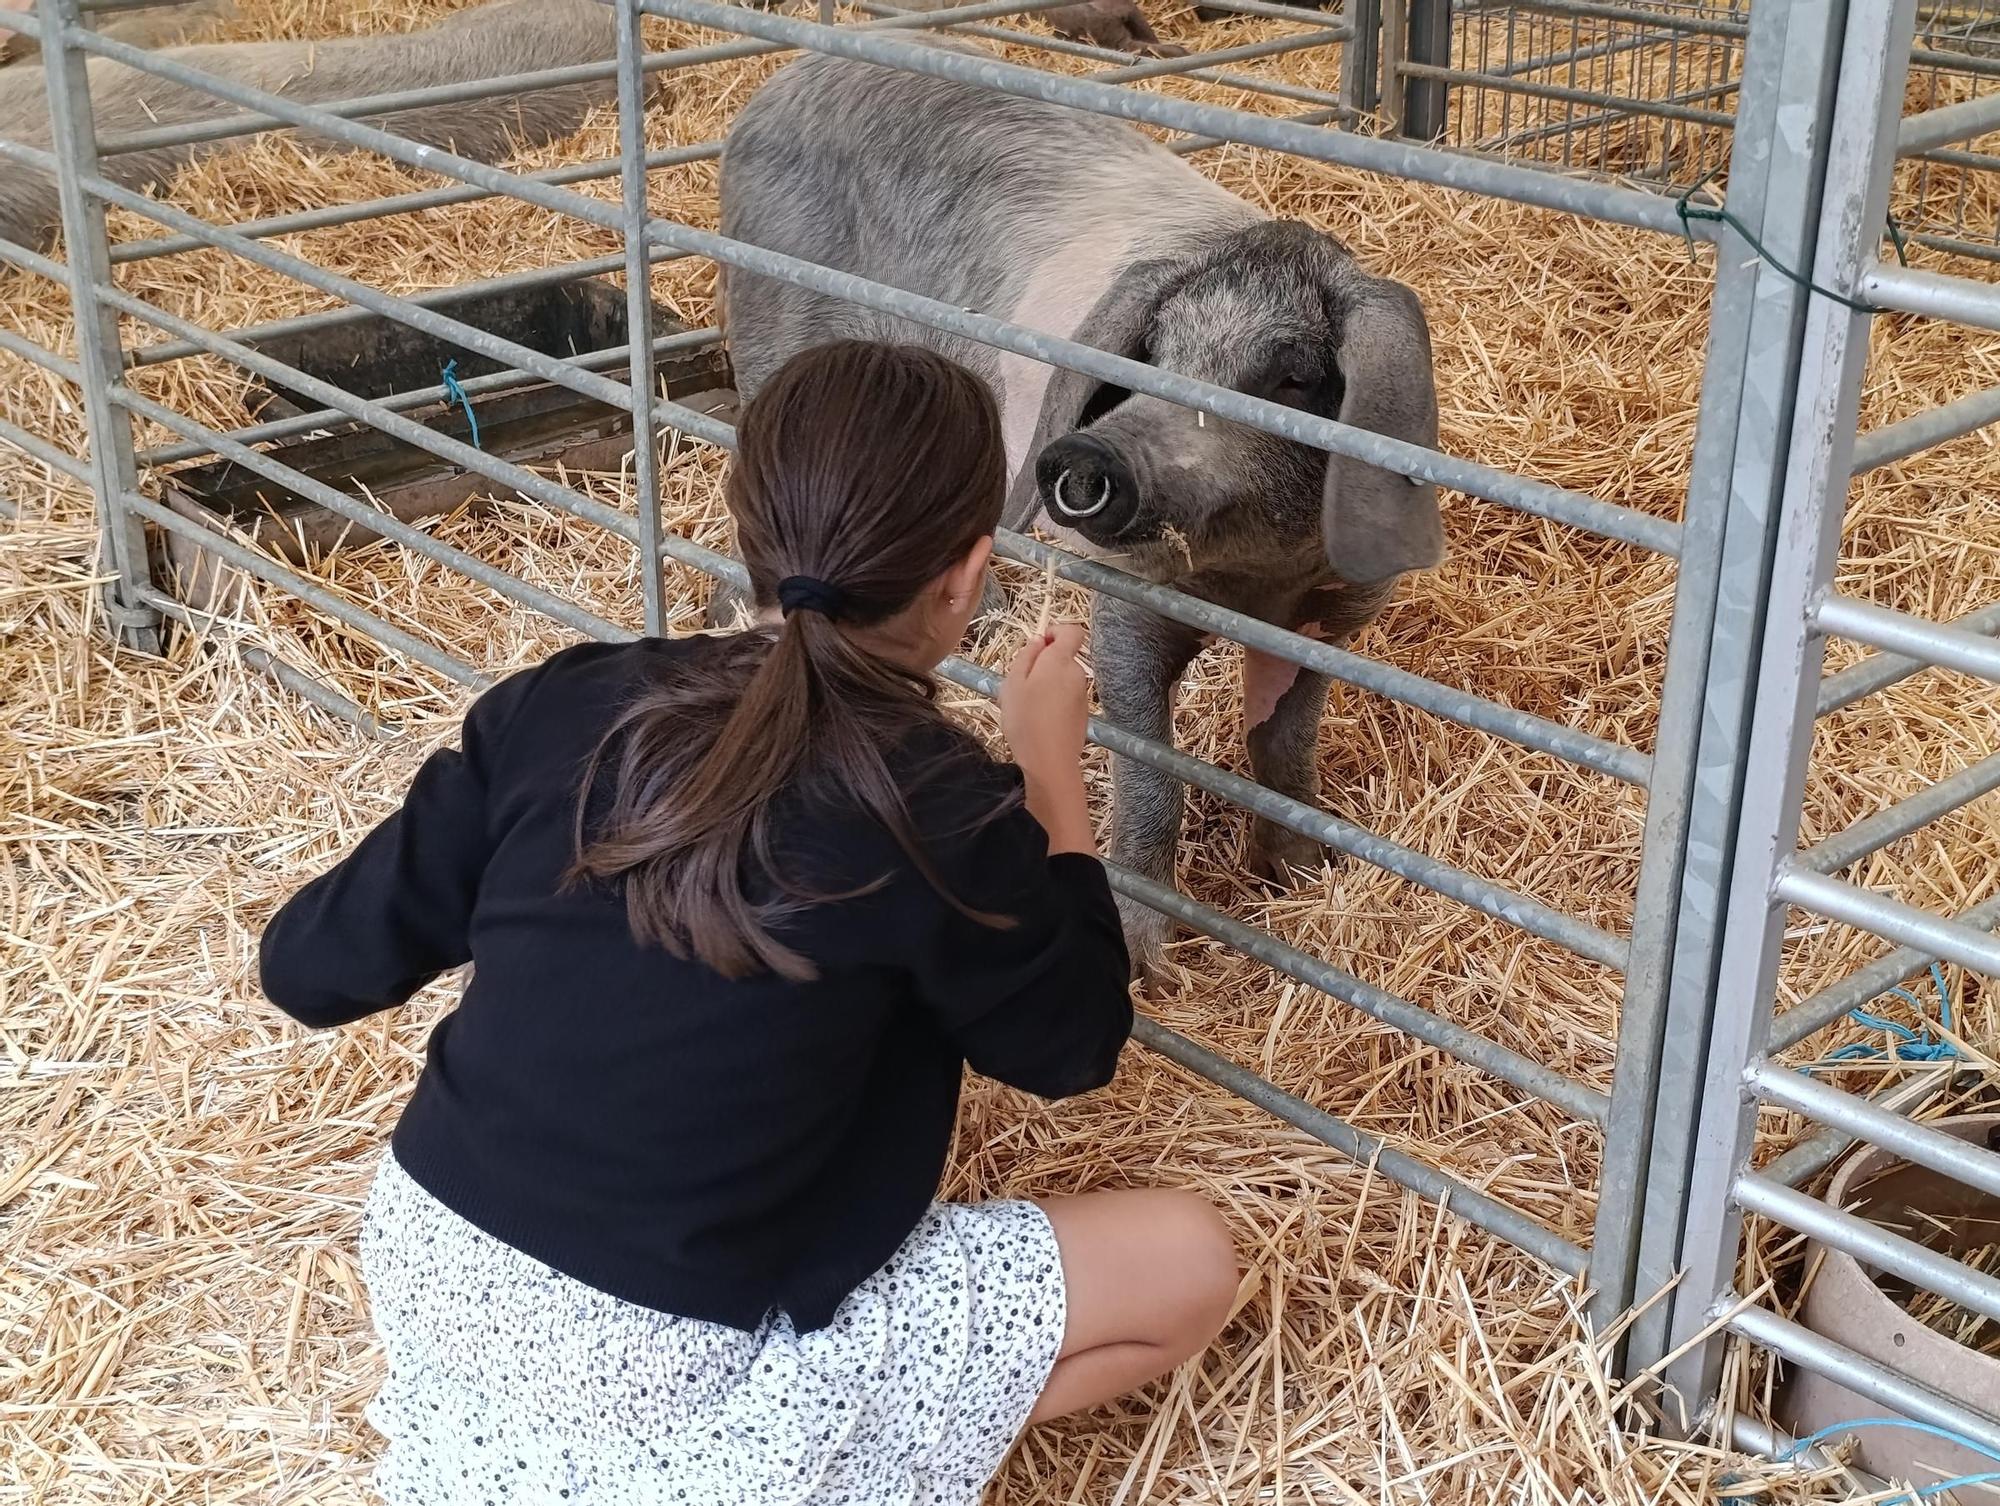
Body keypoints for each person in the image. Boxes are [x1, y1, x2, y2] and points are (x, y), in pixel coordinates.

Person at [260, 339, 1239, 1505]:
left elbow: (308, 967)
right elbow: (1069, 1046)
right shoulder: (937, 802)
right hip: (673, 1362)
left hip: (432, 1270)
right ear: (968, 575)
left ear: (744, 525)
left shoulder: (565, 697)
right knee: (1189, 1261)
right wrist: (1048, 781)